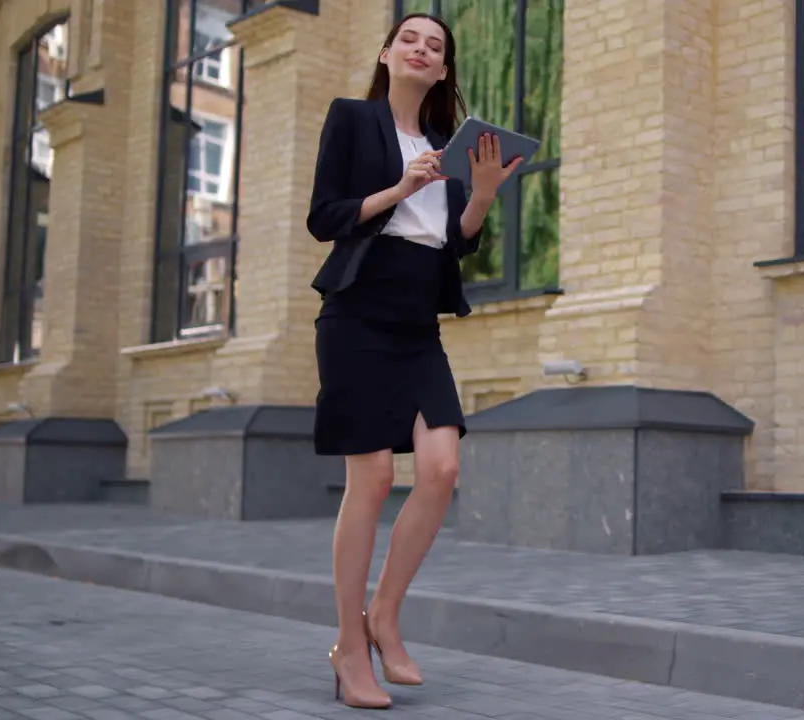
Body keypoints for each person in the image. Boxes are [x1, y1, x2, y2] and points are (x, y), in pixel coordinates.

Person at [305, 12, 522, 710]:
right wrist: (401, 188)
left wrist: (482, 192)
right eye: (411, 39)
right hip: (357, 312)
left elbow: (457, 242)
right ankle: (347, 644)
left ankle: (385, 616)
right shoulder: (352, 119)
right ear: (387, 53)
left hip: (417, 323)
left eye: (436, 46)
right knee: (369, 479)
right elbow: (324, 218)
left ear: (444, 70)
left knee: (441, 468)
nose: (423, 50)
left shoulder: (448, 146)